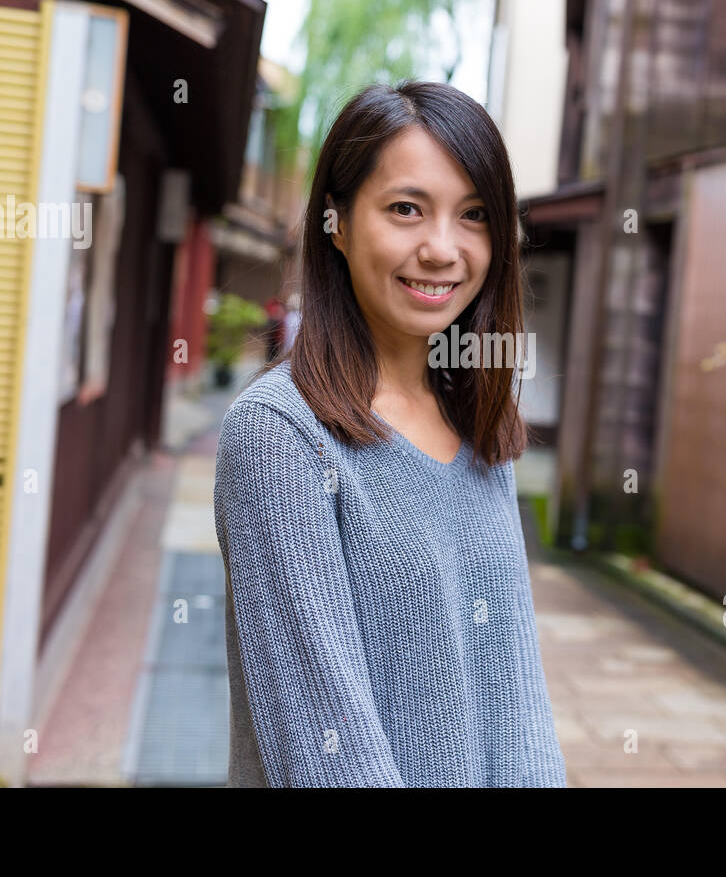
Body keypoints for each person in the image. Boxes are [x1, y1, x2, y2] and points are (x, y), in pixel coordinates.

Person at [213, 80, 566, 787]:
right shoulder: (280, 437)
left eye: (473, 216)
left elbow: (518, 699)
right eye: (406, 209)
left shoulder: (479, 430)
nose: (442, 249)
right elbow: (329, 755)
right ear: (335, 223)